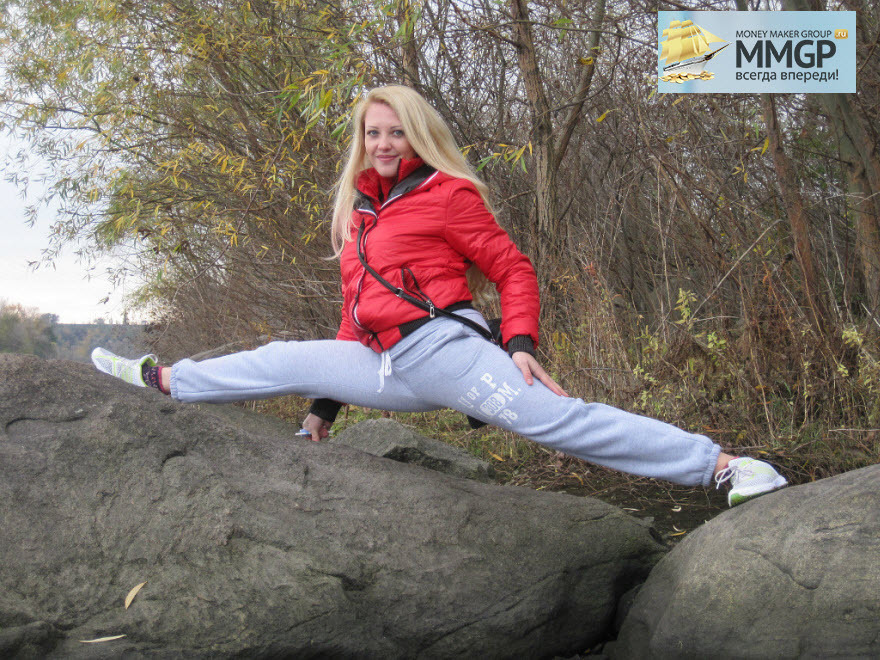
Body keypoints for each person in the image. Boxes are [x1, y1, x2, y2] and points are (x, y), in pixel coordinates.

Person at [91, 84, 787, 507]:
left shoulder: (447, 195)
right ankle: (164, 380)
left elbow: (513, 269)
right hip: (382, 363)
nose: (384, 143)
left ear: (417, 136)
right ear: (360, 142)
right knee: (281, 357)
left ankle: (725, 468)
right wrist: (324, 410)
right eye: (373, 133)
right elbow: (354, 318)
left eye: (397, 132)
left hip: (445, 350)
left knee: (558, 421)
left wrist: (519, 342)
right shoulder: (358, 216)